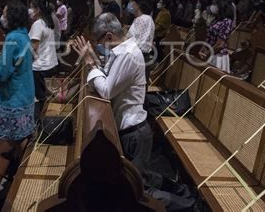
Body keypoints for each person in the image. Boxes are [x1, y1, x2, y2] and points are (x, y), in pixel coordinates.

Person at [72, 13, 195, 210]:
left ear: (109, 36)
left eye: (98, 41)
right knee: (142, 178)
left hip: (135, 132)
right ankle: (184, 195)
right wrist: (94, 61)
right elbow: (108, 78)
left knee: (137, 190)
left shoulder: (128, 54)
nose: (97, 45)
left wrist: (89, 63)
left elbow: (106, 90)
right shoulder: (120, 52)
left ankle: (187, 206)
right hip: (132, 130)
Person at [0, 0, 36, 143]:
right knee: (23, 131)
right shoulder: (24, 35)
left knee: (14, 134)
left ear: (12, 16)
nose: (2, 17)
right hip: (26, 88)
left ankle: (17, 158)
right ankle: (18, 153)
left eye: (4, 14)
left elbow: (4, 69)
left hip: (15, 92)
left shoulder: (12, 37)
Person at [29, 0, 59, 118]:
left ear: (38, 9)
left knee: (42, 99)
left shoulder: (38, 24)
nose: (30, 10)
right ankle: (48, 121)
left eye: (31, 7)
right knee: (48, 97)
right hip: (51, 64)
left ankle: (43, 125)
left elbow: (33, 48)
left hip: (40, 67)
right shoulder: (48, 22)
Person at [126, 0, 155, 85]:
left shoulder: (145, 19)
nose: (130, 3)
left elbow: (142, 45)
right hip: (135, 58)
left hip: (139, 60)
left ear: (139, 3)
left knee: (138, 93)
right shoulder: (138, 19)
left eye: (131, 0)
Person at [199, 0, 234, 73]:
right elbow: (209, 36)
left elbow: (220, 44)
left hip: (218, 56)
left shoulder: (227, 21)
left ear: (222, 7)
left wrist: (207, 53)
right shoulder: (217, 19)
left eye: (216, 5)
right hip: (211, 53)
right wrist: (204, 47)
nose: (214, 7)